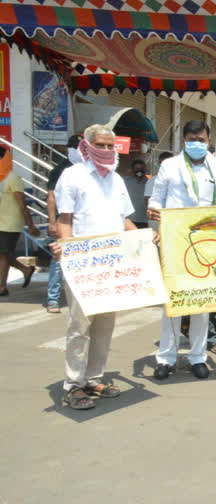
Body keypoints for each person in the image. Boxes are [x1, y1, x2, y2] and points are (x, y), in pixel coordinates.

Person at [49, 124, 136, 410]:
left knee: (104, 326)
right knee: (79, 326)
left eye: (111, 146)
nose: (107, 151)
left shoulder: (117, 180)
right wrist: (67, 248)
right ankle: (73, 385)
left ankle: (94, 377)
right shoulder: (72, 176)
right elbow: (64, 219)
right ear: (87, 146)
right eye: (101, 145)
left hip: (111, 265)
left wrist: (142, 237)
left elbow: (124, 220)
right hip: (83, 265)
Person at [147, 120, 216, 381]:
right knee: (172, 304)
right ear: (184, 140)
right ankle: (166, 358)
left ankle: (198, 357)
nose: (197, 143)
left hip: (207, 241)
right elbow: (155, 199)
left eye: (202, 139)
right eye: (192, 138)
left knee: (202, 304)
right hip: (175, 240)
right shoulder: (169, 166)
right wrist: (154, 218)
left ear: (209, 140)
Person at [45, 134, 82, 313]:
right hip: (64, 222)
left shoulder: (87, 169)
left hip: (82, 223)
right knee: (60, 260)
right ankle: (53, 298)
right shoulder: (61, 170)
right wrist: (53, 222)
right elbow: (51, 197)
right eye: (77, 146)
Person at [0, 147, 40, 297]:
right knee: (3, 254)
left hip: (9, 223)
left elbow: (22, 204)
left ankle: (2, 287)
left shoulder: (13, 178)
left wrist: (30, 225)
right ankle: (25, 269)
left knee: (3, 254)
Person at [123, 159, 149, 229]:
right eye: (137, 168)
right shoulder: (125, 181)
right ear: (132, 170)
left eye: (141, 168)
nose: (139, 170)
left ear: (145, 169)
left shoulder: (149, 183)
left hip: (145, 220)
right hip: (129, 220)